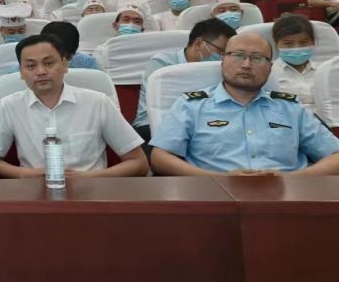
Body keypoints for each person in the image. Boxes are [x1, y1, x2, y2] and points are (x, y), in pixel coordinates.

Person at [150, 32, 339, 175]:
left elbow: (335, 156)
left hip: (287, 198)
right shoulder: (191, 105)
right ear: (223, 60)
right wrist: (218, 179)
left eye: (257, 58)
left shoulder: (290, 107)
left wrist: (291, 180)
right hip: (214, 197)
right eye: (238, 56)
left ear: (270, 67)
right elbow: (160, 158)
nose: (246, 65)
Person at [0, 35, 148, 178]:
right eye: (31, 66)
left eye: (48, 63)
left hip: (92, 191)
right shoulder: (9, 106)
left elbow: (138, 162)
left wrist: (89, 177)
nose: (41, 71)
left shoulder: (98, 102)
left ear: (64, 64)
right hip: (34, 192)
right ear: (21, 72)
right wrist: (28, 174)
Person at [133, 18, 237, 139]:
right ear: (198, 44)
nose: (224, 58)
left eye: (229, 53)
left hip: (206, 127)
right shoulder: (163, 64)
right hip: (153, 127)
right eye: (222, 51)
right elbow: (163, 109)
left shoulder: (222, 68)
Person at [272, 14, 319, 109]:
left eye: (303, 42)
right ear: (276, 44)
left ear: (313, 42)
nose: (296, 48)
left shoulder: (324, 71)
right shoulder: (268, 73)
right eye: (288, 44)